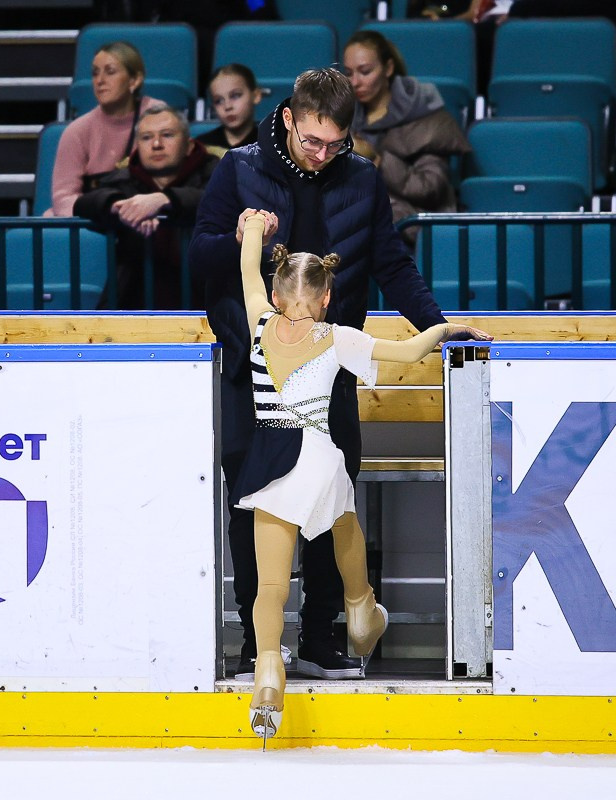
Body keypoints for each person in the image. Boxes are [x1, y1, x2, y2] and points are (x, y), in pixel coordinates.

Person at [189, 67, 490, 684]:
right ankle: (257, 640)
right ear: (291, 118)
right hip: (255, 377)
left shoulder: (361, 178)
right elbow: (198, 256)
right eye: (312, 142)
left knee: (331, 503)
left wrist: (437, 325)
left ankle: (324, 637)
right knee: (254, 509)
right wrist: (248, 238)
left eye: (336, 144)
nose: (323, 155)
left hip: (330, 378)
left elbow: (391, 264)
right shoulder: (239, 167)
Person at [234, 212, 482, 741]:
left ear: (279, 295)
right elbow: (412, 351)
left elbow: (246, 275)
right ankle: (362, 609)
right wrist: (448, 328)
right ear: (326, 298)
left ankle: (267, 673)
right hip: (320, 455)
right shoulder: (337, 336)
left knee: (272, 586)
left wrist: (254, 228)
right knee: (343, 524)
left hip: (273, 459)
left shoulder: (259, 323)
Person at [74, 105, 218, 308]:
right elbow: (83, 203)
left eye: (167, 135)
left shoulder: (217, 170)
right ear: (137, 147)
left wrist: (164, 200)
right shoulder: (124, 178)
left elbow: (221, 199)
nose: (156, 144)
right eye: (146, 137)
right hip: (133, 300)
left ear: (189, 146)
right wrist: (120, 206)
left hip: (206, 300)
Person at [343, 30, 470, 236]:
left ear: (388, 68)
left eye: (365, 71)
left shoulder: (424, 118)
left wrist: (378, 159)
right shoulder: (344, 117)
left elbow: (430, 188)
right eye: (349, 73)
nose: (355, 82)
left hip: (409, 231)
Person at [45, 41, 161, 218]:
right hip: (94, 220)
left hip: (148, 216)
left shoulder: (158, 116)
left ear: (134, 80)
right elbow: (64, 198)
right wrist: (108, 212)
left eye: (110, 71)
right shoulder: (77, 131)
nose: (100, 81)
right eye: (95, 73)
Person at [196, 64, 265, 155]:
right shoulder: (202, 147)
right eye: (218, 101)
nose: (227, 106)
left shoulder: (271, 144)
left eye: (235, 95)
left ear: (256, 95)